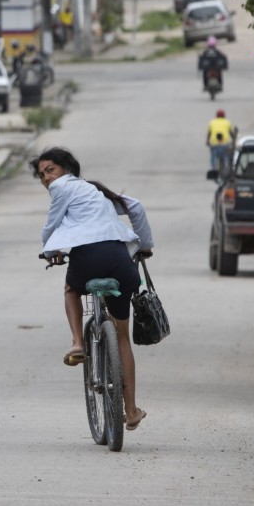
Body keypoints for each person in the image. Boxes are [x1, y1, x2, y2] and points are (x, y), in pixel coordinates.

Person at [31, 147, 154, 431]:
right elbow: (135, 207)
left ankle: (77, 343)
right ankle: (132, 410)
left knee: (71, 290)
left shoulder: (62, 187)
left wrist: (50, 251)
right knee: (123, 338)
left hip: (89, 258)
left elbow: (51, 225)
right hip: (120, 260)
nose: (47, 179)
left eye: (50, 170)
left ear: (66, 169)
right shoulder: (97, 193)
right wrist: (145, 245)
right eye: (41, 175)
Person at [206, 109, 236, 175]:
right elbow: (231, 134)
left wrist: (207, 142)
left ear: (216, 116)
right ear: (224, 116)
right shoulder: (227, 122)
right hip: (225, 144)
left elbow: (209, 133)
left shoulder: (212, 122)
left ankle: (214, 169)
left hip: (215, 144)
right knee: (226, 158)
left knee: (214, 157)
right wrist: (234, 140)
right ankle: (226, 170)